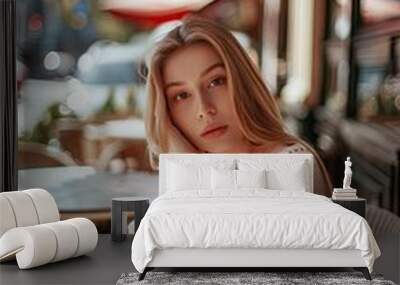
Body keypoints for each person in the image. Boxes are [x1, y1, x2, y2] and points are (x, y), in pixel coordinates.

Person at [144, 14, 332, 196]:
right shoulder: (203, 169)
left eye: (215, 82)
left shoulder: (289, 164)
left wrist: (191, 172)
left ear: (243, 82)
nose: (204, 110)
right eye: (182, 95)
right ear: (166, 113)